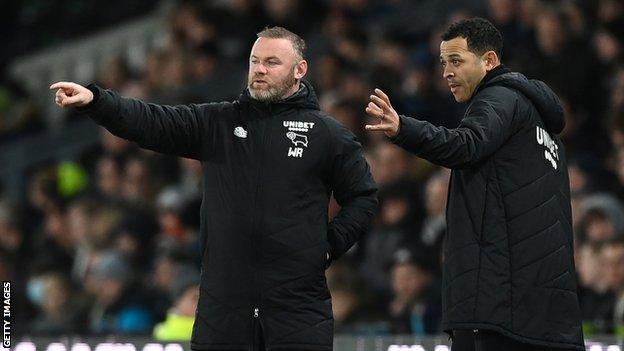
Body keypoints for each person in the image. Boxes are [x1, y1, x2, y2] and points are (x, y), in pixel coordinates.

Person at [50, 26, 378, 351]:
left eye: (272, 62)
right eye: (255, 60)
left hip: (297, 309)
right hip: (223, 310)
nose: (260, 69)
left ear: (300, 70)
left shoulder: (327, 135)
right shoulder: (217, 122)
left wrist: (327, 246)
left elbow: (363, 197)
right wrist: (97, 101)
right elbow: (152, 121)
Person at [365, 18, 583, 351]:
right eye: (442, 63)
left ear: (489, 61)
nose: (446, 73)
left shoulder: (499, 97)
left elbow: (465, 145)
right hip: (544, 312)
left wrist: (402, 128)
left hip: (499, 307)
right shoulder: (544, 132)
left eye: (456, 61)